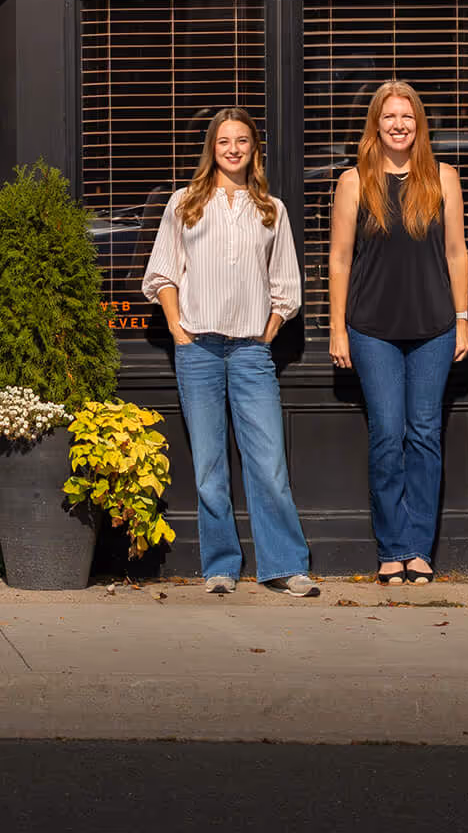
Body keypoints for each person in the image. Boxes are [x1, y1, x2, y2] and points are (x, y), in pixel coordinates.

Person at [142, 108, 320, 598]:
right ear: (212, 148)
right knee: (208, 464)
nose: (234, 149)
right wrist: (177, 327)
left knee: (268, 461)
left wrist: (269, 330)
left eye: (242, 141)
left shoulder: (271, 209)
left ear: (254, 149)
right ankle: (220, 565)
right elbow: (163, 273)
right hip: (197, 347)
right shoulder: (185, 203)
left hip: (250, 353)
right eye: (225, 142)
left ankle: (284, 565)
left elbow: (286, 282)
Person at [327, 79, 468, 587]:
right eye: (389, 116)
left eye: (406, 116)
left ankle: (418, 549)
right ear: (375, 124)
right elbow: (340, 260)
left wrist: (461, 320)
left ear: (418, 124)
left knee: (426, 436)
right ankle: (392, 549)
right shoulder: (353, 183)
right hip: (372, 330)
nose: (398, 125)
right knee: (388, 435)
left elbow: (456, 253)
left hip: (433, 327)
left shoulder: (444, 179)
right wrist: (338, 330)